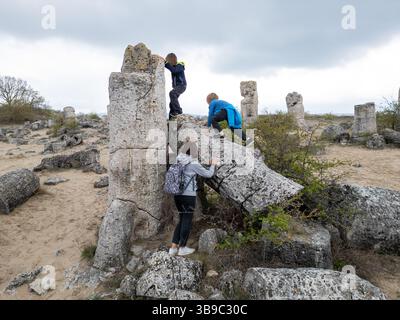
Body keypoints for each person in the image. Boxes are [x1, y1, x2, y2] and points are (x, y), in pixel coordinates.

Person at [169, 152, 217, 256]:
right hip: (188, 195)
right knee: (187, 220)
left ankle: (173, 248)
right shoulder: (193, 163)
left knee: (182, 219)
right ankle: (182, 248)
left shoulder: (178, 160)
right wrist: (213, 164)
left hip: (177, 195)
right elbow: (209, 174)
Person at [165, 53, 187, 120]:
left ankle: (179, 112)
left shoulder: (180, 65)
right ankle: (171, 117)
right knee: (172, 103)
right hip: (177, 87)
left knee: (172, 93)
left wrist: (166, 64)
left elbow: (174, 70)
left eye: (168, 61)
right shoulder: (174, 67)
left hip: (182, 85)